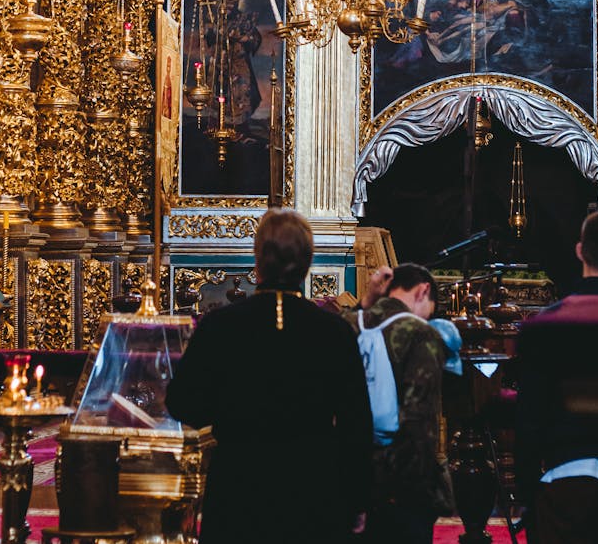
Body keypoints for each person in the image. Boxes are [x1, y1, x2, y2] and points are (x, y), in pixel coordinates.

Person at [166, 208, 372, 544]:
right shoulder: (333, 331)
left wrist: (229, 412)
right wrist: (358, 499)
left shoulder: (221, 327)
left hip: (238, 484)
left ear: (257, 259)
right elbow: (357, 424)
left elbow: (182, 403)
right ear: (307, 262)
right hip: (313, 486)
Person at [515, 209, 598, 543]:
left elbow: (529, 422)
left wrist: (528, 497)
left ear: (579, 251)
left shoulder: (544, 328)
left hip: (565, 485)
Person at [357, 262, 451, 544]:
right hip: (402, 489)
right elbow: (420, 423)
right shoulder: (421, 333)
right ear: (424, 290)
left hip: (351, 480)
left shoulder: (350, 324)